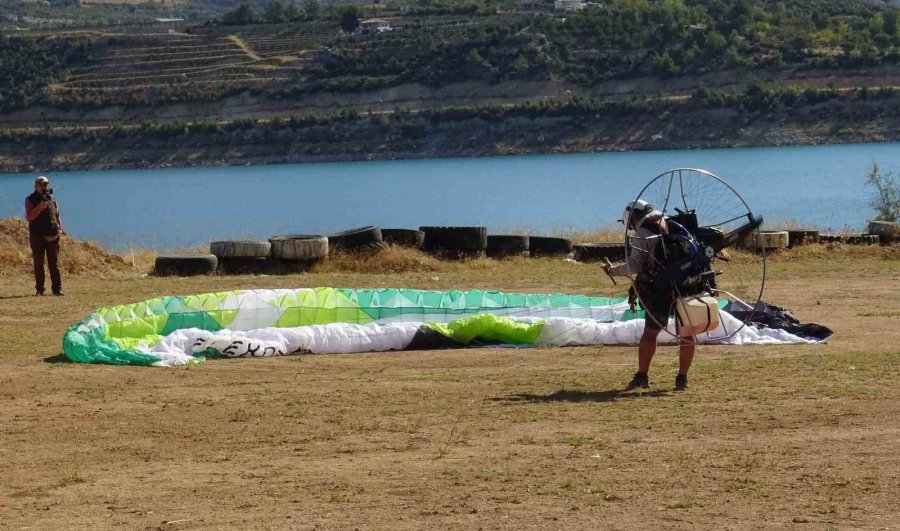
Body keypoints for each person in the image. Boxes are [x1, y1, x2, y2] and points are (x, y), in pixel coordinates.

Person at [603, 200, 694, 391]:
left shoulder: (644, 232)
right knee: (686, 334)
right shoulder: (668, 221)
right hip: (686, 284)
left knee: (651, 333)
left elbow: (634, 266)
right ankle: (682, 379)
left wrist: (613, 270)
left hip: (660, 288)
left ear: (633, 217)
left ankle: (642, 376)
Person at [25, 175, 64, 296]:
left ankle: (57, 289)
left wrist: (59, 228)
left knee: (54, 263)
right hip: (37, 236)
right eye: (42, 184)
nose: (44, 186)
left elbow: (56, 214)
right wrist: (39, 208)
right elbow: (30, 217)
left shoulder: (51, 197)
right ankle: (40, 290)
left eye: (46, 184)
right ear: (36, 185)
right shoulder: (30, 199)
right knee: (39, 263)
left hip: (52, 234)